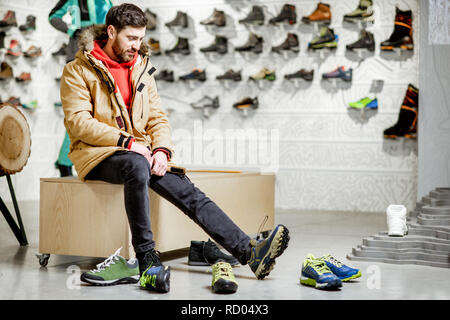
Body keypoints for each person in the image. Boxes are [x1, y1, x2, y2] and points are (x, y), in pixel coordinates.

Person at [60, 3, 290, 292]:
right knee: (135, 164)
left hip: (140, 154)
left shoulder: (141, 67)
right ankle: (147, 261)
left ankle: (249, 252)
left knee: (185, 188)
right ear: (110, 31)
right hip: (97, 154)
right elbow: (79, 123)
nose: (137, 45)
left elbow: (157, 118)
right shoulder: (77, 69)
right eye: (131, 38)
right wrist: (129, 143)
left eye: (141, 38)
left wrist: (161, 151)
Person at [49, 0, 113, 176]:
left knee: (96, 113)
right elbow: (53, 16)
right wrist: (72, 30)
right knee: (80, 114)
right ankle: (65, 160)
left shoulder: (107, 1)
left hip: (101, 55)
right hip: (79, 55)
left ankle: (69, 160)